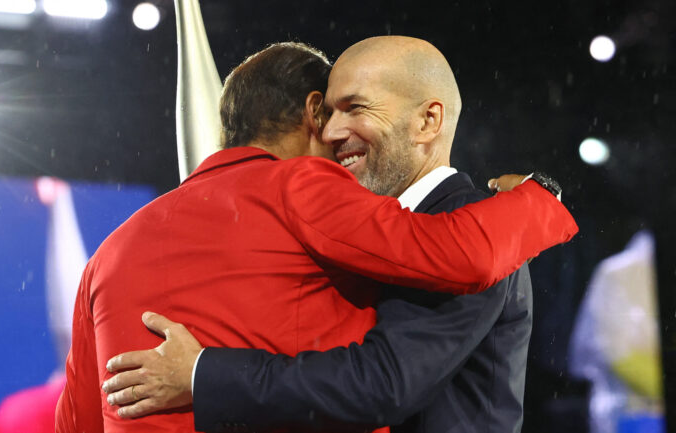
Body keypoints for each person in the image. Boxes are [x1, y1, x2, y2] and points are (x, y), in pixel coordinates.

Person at [58, 41, 576, 433]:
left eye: (354, 109)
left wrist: (200, 374)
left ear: (428, 121)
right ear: (308, 111)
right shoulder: (307, 193)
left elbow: (383, 382)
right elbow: (457, 257)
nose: (332, 133)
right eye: (330, 112)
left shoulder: (110, 251)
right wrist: (538, 199)